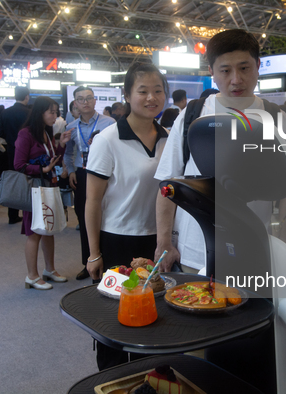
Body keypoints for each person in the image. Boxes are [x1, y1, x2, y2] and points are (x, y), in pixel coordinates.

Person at [153, 29, 286, 273]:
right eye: (225, 70)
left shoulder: (276, 119)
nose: (236, 79)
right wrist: (164, 243)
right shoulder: (192, 115)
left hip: (254, 250)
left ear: (258, 66)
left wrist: (282, 249)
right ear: (211, 71)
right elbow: (168, 184)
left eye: (244, 68)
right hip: (194, 251)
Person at [85, 62, 169, 370]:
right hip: (118, 240)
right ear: (127, 94)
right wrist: (94, 254)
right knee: (115, 325)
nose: (151, 98)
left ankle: (150, 383)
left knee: (155, 322)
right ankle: (113, 383)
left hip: (156, 242)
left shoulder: (169, 138)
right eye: (143, 91)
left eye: (158, 91)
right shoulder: (107, 140)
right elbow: (92, 201)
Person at [14, 97, 71, 290]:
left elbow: (52, 158)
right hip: (35, 188)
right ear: (40, 112)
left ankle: (50, 270)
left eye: (56, 112)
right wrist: (43, 170)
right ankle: (32, 275)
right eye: (52, 112)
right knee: (34, 231)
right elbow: (19, 165)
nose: (55, 116)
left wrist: (61, 145)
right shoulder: (26, 133)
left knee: (49, 229)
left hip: (47, 186)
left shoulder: (46, 133)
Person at [64, 87, 116, 280]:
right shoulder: (70, 126)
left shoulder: (109, 123)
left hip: (104, 173)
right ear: (75, 104)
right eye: (80, 99)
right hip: (82, 174)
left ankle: (108, 260)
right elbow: (68, 153)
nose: (85, 102)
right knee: (84, 218)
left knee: (106, 215)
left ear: (95, 101)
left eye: (88, 98)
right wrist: (70, 171)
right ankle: (88, 262)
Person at [0, 86, 30, 224]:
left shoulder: (5, 113)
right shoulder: (29, 113)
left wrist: (12, 140)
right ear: (27, 97)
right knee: (29, 180)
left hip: (12, 150)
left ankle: (12, 214)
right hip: (28, 151)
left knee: (13, 179)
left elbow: (0, 132)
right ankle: (29, 211)